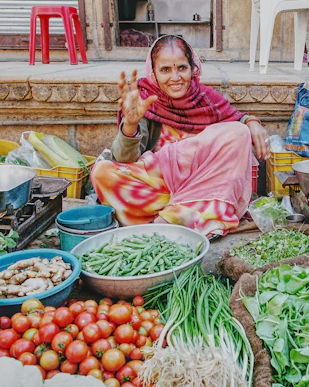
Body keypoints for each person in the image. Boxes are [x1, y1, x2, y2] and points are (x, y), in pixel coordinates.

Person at [91, 35, 270, 237]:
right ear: (154, 73)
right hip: (162, 189)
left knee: (238, 133)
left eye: (182, 68)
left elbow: (234, 122)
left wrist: (251, 121)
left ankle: (170, 217)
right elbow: (124, 159)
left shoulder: (205, 99)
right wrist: (131, 124)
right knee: (102, 172)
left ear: (192, 69)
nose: (175, 77)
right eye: (165, 70)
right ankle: (186, 213)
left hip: (203, 184)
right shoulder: (145, 100)